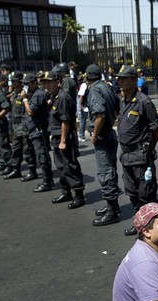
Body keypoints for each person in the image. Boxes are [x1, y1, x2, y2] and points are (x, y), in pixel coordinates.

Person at [115, 65, 158, 236]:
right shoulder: (123, 100)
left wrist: (149, 148)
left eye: (124, 78)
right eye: (119, 78)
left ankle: (154, 225)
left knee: (146, 194)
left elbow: (155, 128)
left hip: (141, 156)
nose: (120, 81)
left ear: (134, 80)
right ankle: (140, 224)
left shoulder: (144, 102)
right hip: (126, 156)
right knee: (132, 192)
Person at [40, 71, 85, 209]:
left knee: (70, 166)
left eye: (50, 82)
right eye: (45, 82)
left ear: (58, 82)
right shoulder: (54, 97)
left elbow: (65, 121)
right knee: (61, 166)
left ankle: (78, 195)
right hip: (56, 136)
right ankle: (66, 192)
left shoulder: (63, 98)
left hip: (64, 136)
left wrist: (63, 140)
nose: (47, 85)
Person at [86, 64, 122, 225]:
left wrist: (95, 134)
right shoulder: (106, 87)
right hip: (109, 133)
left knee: (105, 172)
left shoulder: (95, 90)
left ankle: (112, 210)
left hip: (103, 136)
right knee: (110, 170)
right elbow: (116, 108)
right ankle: (113, 205)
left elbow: (99, 115)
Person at [22, 73, 55, 191]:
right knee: (37, 155)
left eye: (27, 83)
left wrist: (25, 99)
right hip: (32, 129)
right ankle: (47, 180)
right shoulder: (33, 94)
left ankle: (47, 181)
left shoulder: (38, 95)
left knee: (42, 156)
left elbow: (31, 111)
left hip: (39, 130)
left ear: (34, 83)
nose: (25, 86)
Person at [4, 72, 37, 180]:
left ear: (19, 81)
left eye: (14, 81)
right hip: (15, 126)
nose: (12, 83)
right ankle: (15, 169)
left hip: (24, 126)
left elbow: (28, 110)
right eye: (11, 81)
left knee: (27, 150)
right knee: (15, 149)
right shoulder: (14, 93)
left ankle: (32, 171)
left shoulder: (25, 93)